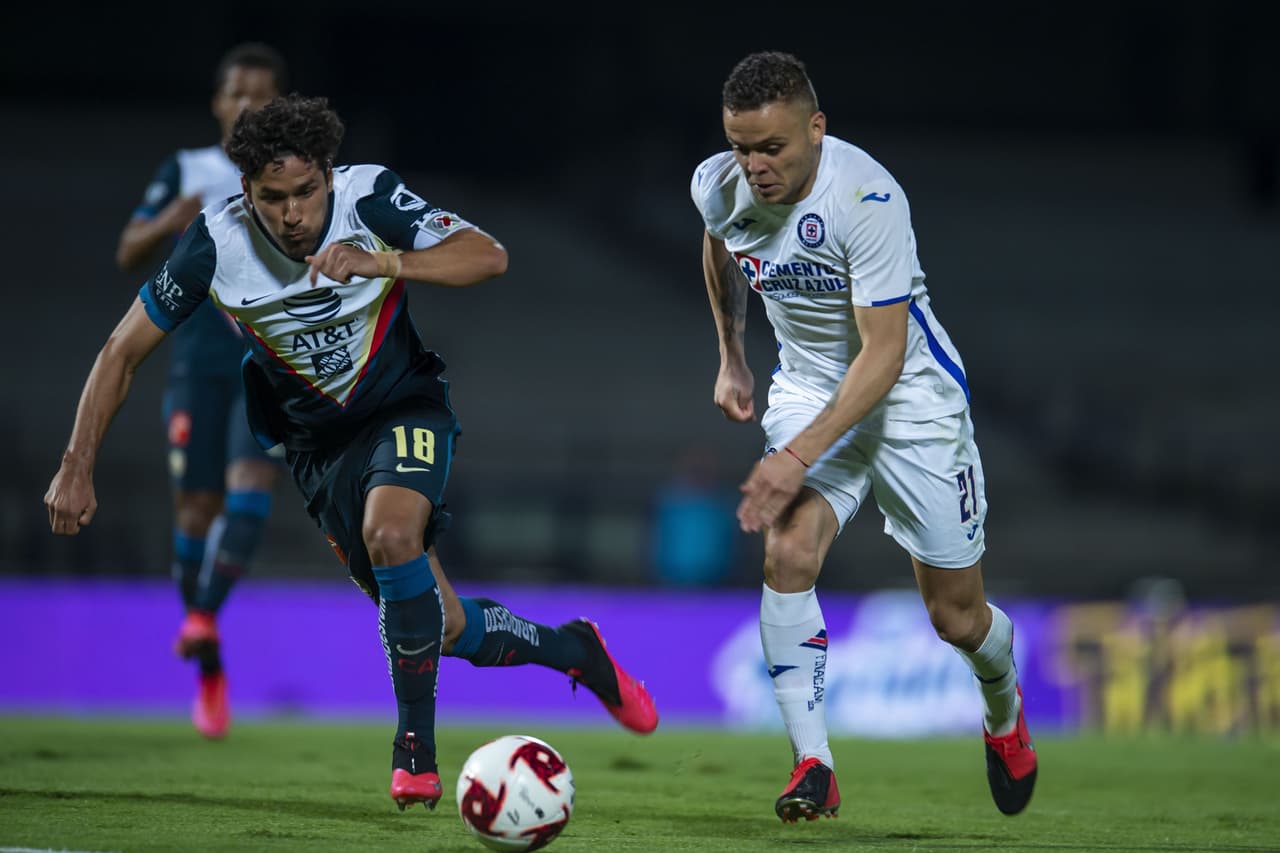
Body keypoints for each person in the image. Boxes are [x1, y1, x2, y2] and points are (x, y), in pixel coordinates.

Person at [46, 93, 658, 811]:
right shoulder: (216, 243)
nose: (293, 213)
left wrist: (384, 261)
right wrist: (76, 462)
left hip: (404, 404)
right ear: (247, 192)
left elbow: (485, 256)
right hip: (318, 449)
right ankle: (577, 649)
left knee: (392, 530)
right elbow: (122, 350)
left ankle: (415, 753)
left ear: (329, 175)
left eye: (306, 191)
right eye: (273, 197)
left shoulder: (369, 197)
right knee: (443, 622)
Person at [689, 51, 1036, 821]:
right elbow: (717, 246)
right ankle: (814, 763)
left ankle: (1004, 708)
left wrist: (794, 457)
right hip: (812, 385)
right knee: (787, 550)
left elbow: (881, 356)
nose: (754, 166)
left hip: (911, 397)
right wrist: (732, 356)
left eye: (772, 148)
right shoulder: (719, 184)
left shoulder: (868, 196)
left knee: (957, 619)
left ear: (816, 128)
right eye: (741, 147)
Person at [114, 42, 291, 739]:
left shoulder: (295, 175)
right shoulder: (189, 170)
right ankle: (210, 661)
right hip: (195, 358)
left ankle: (200, 615)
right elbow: (129, 249)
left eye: (260, 94)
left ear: (279, 104)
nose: (246, 104)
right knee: (195, 510)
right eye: (235, 93)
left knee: (251, 484)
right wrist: (174, 216)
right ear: (218, 102)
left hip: (267, 359)